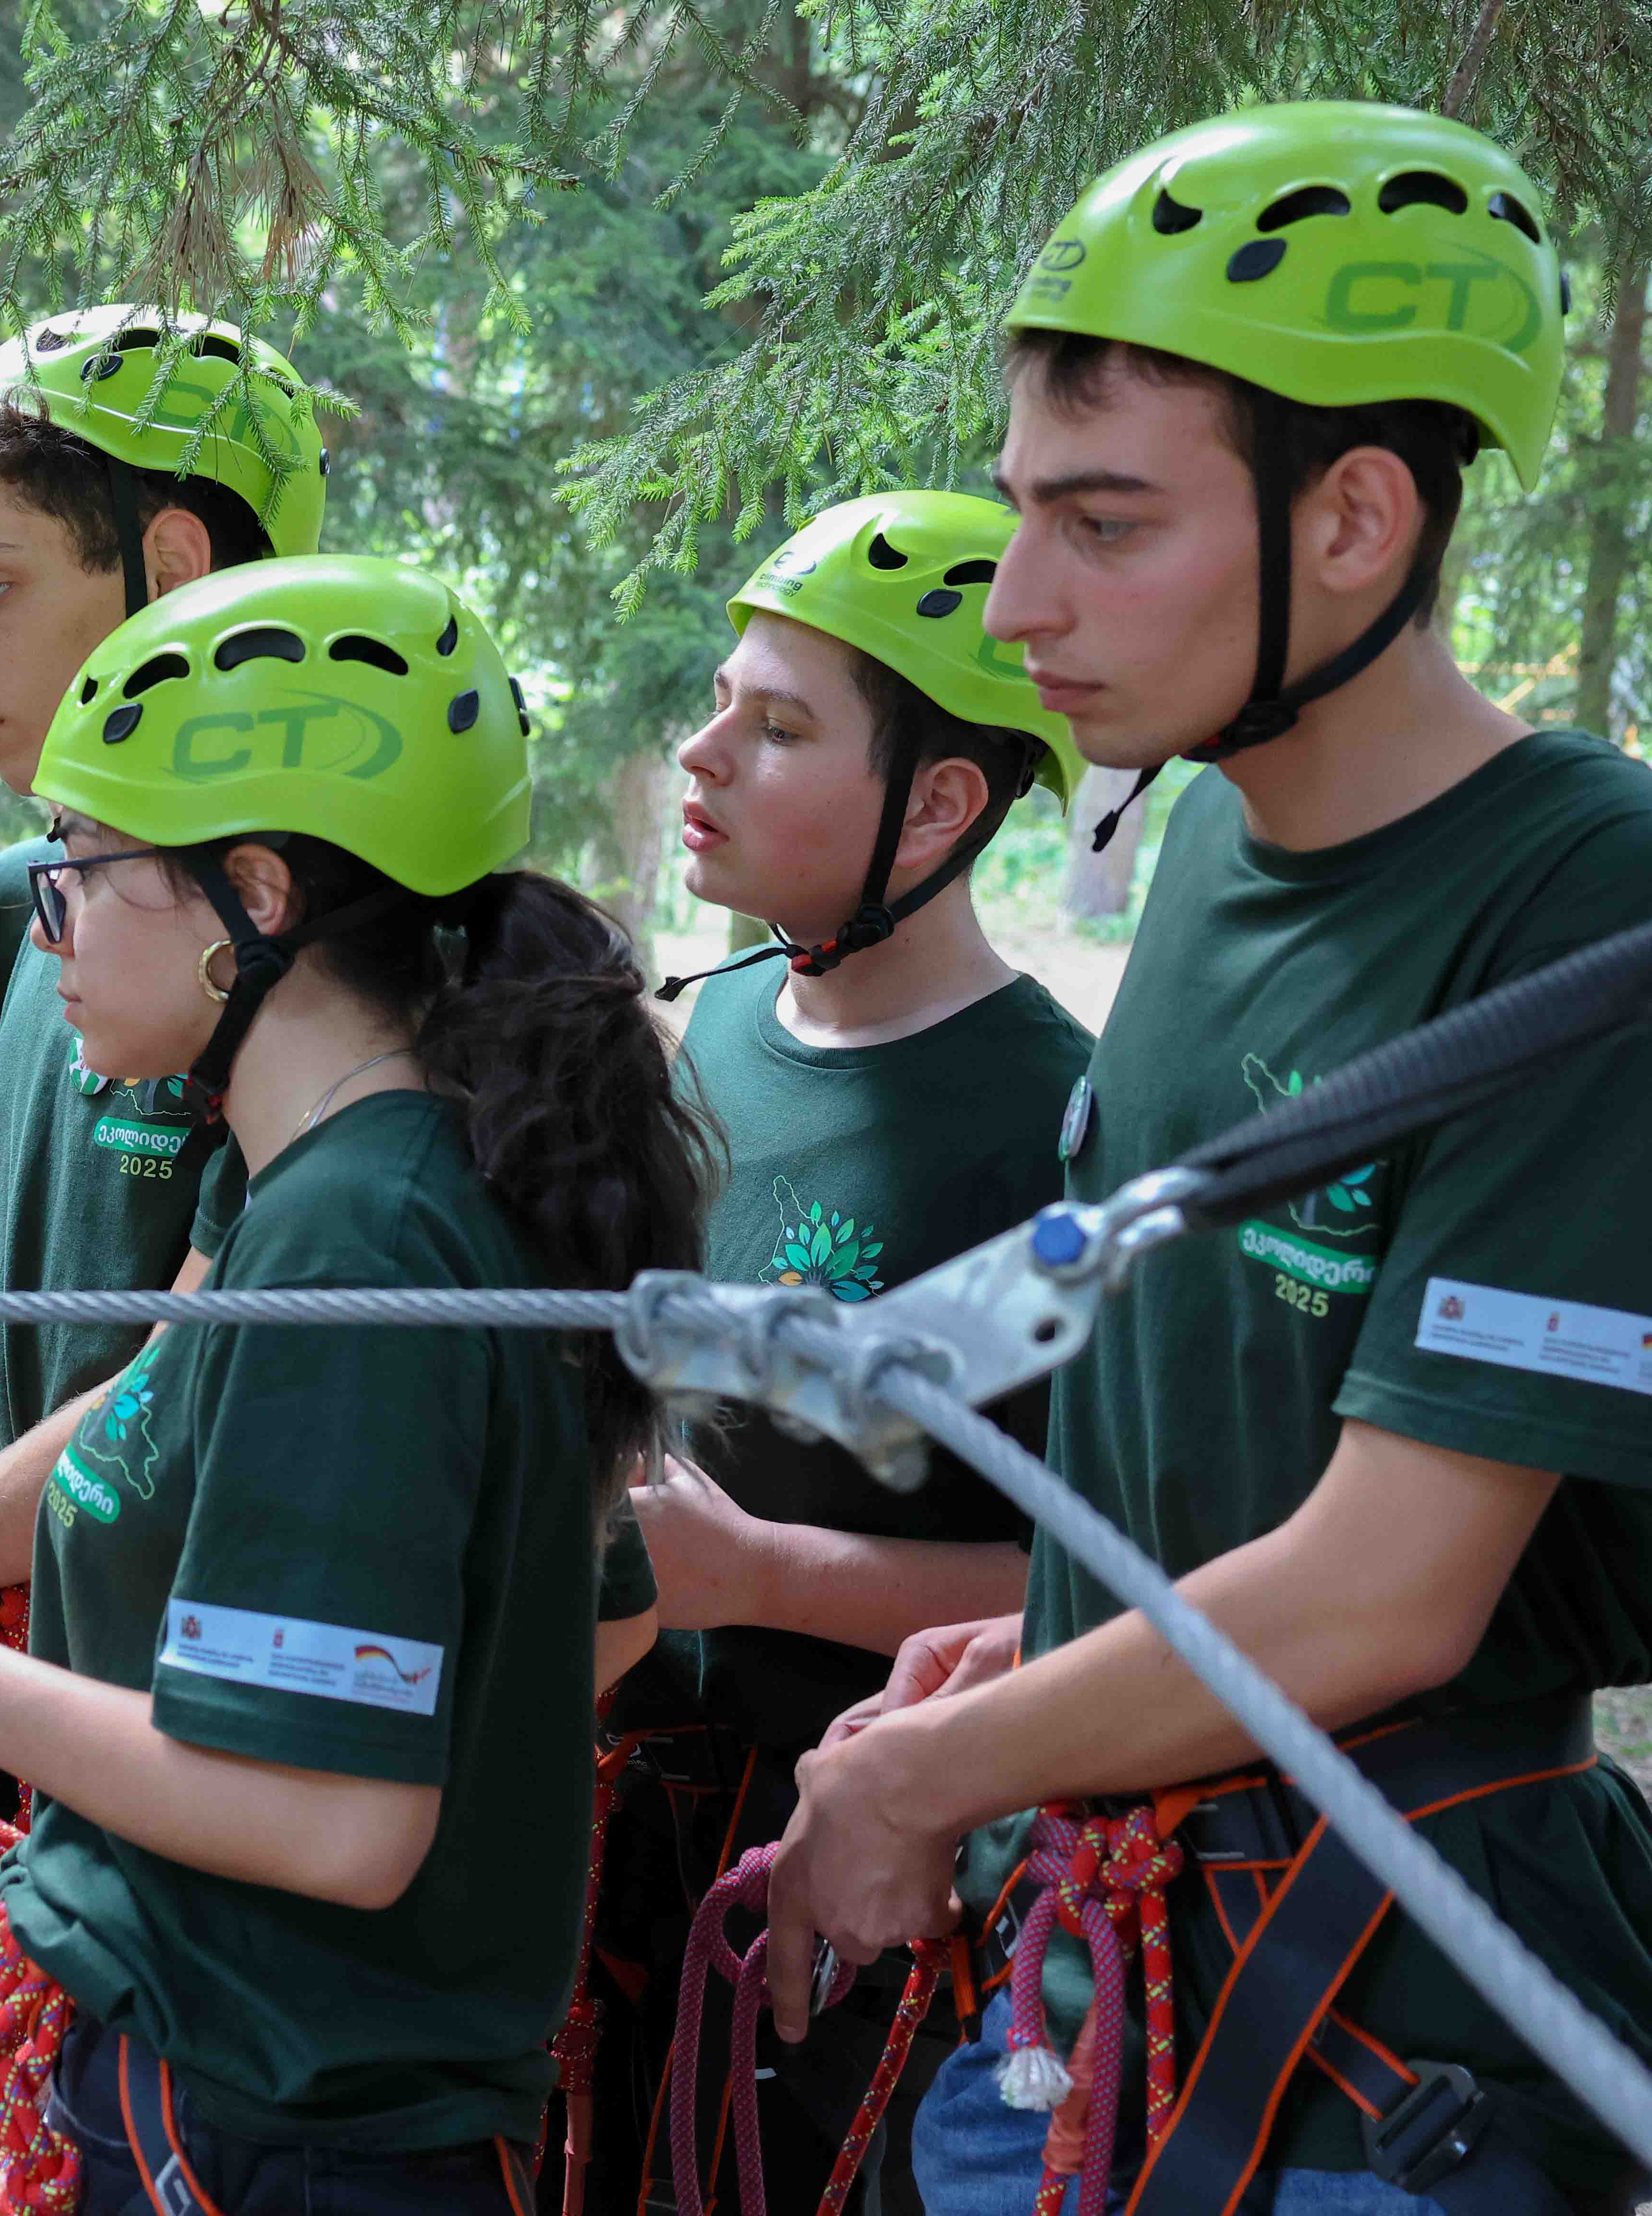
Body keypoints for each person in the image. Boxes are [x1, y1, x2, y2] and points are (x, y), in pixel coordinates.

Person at [760, 104, 1652, 2216]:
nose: (1017, 601)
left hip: (1378, 2050)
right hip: (1107, 1982)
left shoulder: (1578, 911)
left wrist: (920, 1777)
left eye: (1105, 524)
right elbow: (1228, 1423)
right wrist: (1055, 1638)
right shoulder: (1216, 845)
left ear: (1353, 519)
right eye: (1022, 513)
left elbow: (1387, 1589)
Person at [0, 552, 713, 2212]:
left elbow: (336, 1823)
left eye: (84, 866)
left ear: (254, 897)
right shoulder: (365, 1189)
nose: (47, 922)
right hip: (265, 2101)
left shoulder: (360, 1240)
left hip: (282, 2131)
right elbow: (587, 1625)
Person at [588, 490, 1093, 2215]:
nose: (705, 750)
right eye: (723, 701)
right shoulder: (701, 1028)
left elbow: (1091, 1584)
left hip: (859, 1886)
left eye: (783, 727)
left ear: (940, 805)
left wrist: (763, 1573)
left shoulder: (1047, 1135)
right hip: (625, 1839)